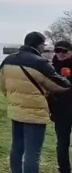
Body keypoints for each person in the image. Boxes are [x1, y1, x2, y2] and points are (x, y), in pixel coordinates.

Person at [0, 31, 71, 173]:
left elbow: (2, 86)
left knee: (17, 148)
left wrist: (15, 98)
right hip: (35, 113)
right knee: (32, 153)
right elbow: (61, 85)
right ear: (39, 45)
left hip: (16, 110)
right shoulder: (39, 63)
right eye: (44, 45)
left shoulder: (7, 60)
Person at [50, 40, 72, 173]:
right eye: (58, 50)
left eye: (65, 51)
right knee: (62, 143)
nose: (61, 54)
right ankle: (64, 170)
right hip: (60, 111)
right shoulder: (51, 67)